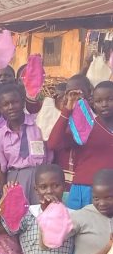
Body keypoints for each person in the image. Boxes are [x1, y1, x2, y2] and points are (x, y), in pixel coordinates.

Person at [48, 80, 113, 210]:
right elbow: (53, 144)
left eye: (110, 99)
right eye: (99, 101)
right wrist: (67, 110)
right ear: (92, 102)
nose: (104, 104)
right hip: (85, 189)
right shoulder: (84, 127)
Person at [0, 84, 51, 204]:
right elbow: (1, 169)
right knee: (20, 216)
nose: (11, 107)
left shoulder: (39, 123)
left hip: (42, 176)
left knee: (42, 214)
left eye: (15, 102)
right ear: (0, 108)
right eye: (5, 104)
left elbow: (51, 152)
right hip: (15, 178)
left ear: (23, 102)